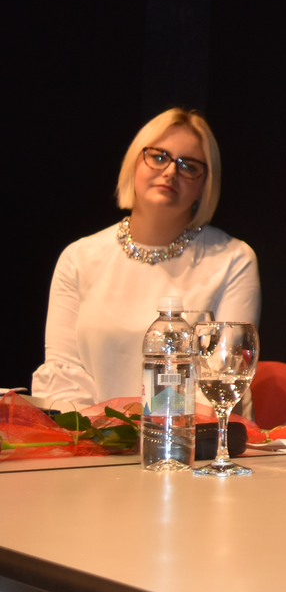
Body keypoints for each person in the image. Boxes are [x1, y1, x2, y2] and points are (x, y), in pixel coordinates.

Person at [32, 109, 260, 412]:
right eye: (159, 157)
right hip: (90, 433)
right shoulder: (79, 257)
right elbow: (63, 374)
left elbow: (221, 380)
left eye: (188, 166)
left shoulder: (233, 259)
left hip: (189, 435)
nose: (170, 172)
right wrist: (98, 430)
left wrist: (155, 427)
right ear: (134, 163)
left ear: (205, 185)